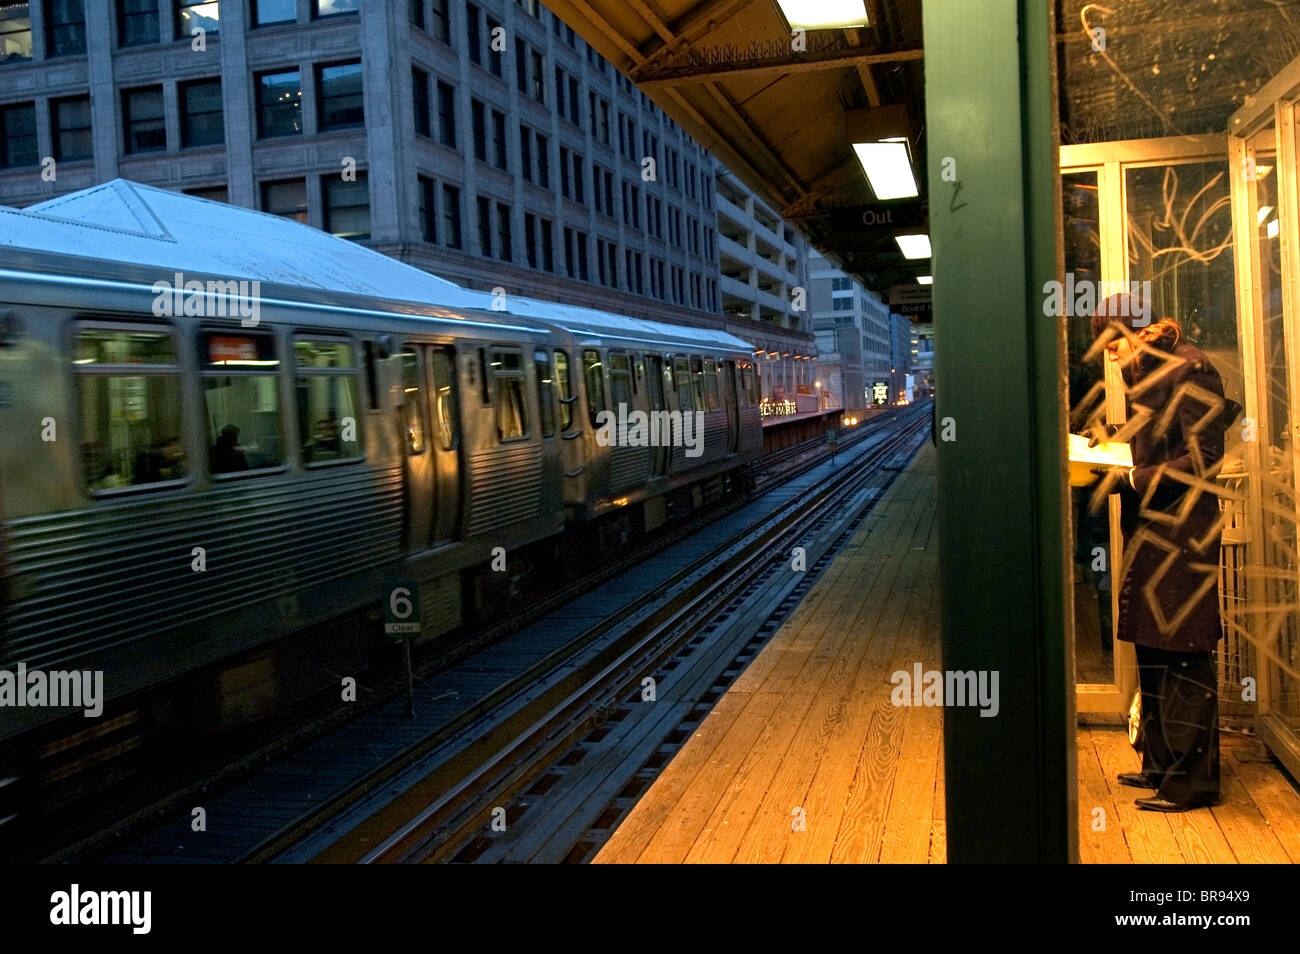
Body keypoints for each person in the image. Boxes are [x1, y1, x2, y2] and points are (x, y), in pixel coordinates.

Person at [1085, 295, 1232, 813]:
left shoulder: (1190, 369)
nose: (1110, 360)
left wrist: (1131, 478)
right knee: (1153, 646)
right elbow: (1161, 445)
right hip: (1157, 531)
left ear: (1135, 331)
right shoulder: (1156, 367)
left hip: (1181, 535)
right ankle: (1160, 764)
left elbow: (1203, 459)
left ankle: (1192, 783)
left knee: (1184, 651)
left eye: (1111, 346)